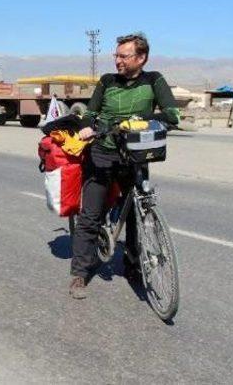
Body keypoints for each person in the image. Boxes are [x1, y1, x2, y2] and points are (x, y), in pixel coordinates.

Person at [69, 32, 180, 299]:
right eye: (116, 55)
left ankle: (133, 265)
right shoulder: (107, 81)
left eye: (123, 55)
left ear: (141, 58)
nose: (117, 60)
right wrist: (87, 128)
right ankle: (80, 274)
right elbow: (90, 114)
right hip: (103, 152)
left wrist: (137, 119)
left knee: (135, 215)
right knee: (91, 215)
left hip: (136, 155)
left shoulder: (154, 80)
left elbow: (172, 114)